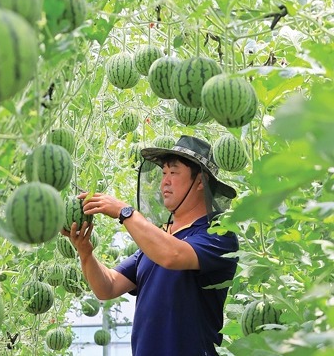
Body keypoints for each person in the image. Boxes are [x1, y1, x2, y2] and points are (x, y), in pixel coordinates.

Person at [61, 135, 239, 356]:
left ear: (200, 181)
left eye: (173, 173)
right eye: (164, 173)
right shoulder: (156, 242)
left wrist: (124, 212)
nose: (165, 181)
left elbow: (172, 255)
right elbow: (107, 287)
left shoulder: (218, 234)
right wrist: (85, 251)